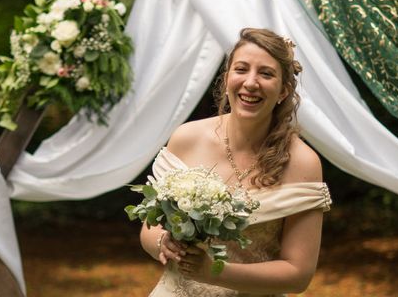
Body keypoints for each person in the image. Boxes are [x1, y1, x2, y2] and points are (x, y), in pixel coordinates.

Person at [139, 28, 331, 296]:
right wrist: (162, 242)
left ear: (284, 91)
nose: (251, 83)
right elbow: (150, 227)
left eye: (266, 74)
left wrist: (214, 272)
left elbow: (298, 274)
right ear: (227, 77)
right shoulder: (186, 138)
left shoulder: (303, 164)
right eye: (241, 69)